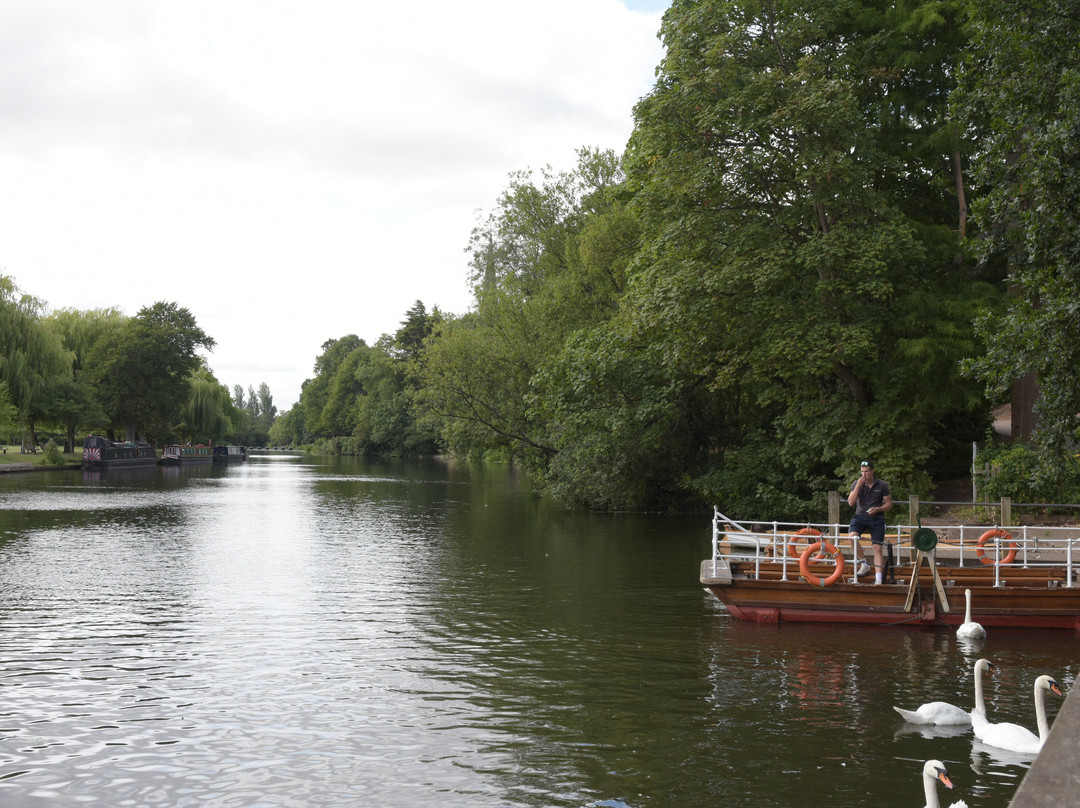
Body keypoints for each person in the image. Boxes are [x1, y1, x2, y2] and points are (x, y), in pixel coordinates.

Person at [847, 460, 892, 584]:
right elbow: (851, 503)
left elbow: (889, 504)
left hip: (877, 517)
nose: (864, 474)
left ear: (872, 471)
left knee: (877, 548)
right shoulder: (856, 483)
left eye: (866, 471)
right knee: (852, 537)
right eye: (862, 471)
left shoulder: (882, 485)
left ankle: (878, 579)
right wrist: (857, 487)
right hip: (860, 516)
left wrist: (878, 509)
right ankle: (864, 564)